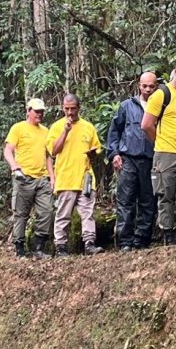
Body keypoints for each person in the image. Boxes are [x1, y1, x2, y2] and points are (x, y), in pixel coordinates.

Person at [143, 56, 176, 246]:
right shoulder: (161, 94)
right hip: (166, 153)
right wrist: (160, 142)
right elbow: (147, 124)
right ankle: (168, 235)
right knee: (166, 196)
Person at [108, 74, 159, 249]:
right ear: (139, 86)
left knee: (148, 200)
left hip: (151, 159)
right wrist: (114, 153)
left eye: (151, 86)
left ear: (156, 86)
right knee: (126, 200)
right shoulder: (126, 106)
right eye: (144, 86)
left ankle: (142, 240)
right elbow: (115, 131)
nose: (148, 90)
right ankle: (125, 242)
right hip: (128, 158)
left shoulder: (160, 105)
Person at [47, 94, 103, 255]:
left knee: (87, 213)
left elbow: (96, 150)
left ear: (79, 108)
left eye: (73, 109)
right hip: (66, 178)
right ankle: (60, 247)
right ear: (63, 108)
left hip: (85, 178)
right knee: (63, 214)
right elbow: (53, 150)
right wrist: (65, 131)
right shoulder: (57, 127)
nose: (70, 112)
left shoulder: (88, 127)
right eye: (67, 109)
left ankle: (89, 243)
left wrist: (93, 154)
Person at [3, 98, 53, 257]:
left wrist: (52, 176)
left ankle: (38, 248)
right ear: (28, 111)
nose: (40, 114)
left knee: (47, 211)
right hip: (24, 178)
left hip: (42, 178)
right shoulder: (18, 128)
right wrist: (14, 165)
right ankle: (19, 249)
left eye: (41, 111)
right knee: (21, 214)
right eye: (36, 111)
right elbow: (7, 150)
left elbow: (48, 156)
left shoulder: (46, 131)